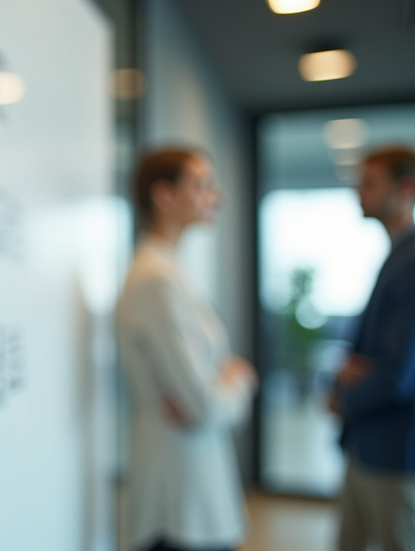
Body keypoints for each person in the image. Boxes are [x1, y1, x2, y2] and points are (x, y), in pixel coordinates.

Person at [116, 147, 257, 551]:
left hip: (191, 479)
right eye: (203, 185)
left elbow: (199, 400)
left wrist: (217, 385)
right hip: (180, 493)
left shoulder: (168, 269)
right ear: (164, 195)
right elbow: (204, 406)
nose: (218, 196)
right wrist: (239, 379)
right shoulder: (157, 278)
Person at [329, 145, 415, 551]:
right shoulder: (397, 256)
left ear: (405, 189)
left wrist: (344, 397)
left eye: (369, 183)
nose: (357, 191)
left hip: (393, 446)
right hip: (367, 443)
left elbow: (397, 374)